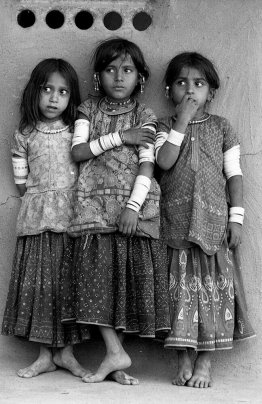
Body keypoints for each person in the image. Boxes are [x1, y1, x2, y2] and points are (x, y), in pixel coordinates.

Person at [61, 37, 170, 385]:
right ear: (98, 77)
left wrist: (133, 208)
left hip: (131, 213)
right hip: (93, 210)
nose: (118, 77)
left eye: (127, 70)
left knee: (127, 287)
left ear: (140, 77)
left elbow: (148, 167)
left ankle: (115, 359)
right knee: (96, 283)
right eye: (110, 70)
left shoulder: (146, 116)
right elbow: (79, 152)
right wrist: (123, 136)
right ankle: (113, 350)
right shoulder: (87, 110)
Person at [155, 52, 255, 388]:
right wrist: (181, 121)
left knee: (215, 292)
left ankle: (205, 361)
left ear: (211, 92)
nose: (190, 90)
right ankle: (182, 356)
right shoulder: (162, 126)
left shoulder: (222, 126)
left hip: (214, 225)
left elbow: (234, 175)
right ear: (169, 89)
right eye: (182, 83)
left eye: (199, 83)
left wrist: (237, 219)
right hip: (176, 223)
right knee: (178, 291)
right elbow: (165, 163)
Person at [1, 58, 90, 378]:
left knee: (67, 286)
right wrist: (40, 200)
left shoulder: (75, 132)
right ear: (34, 92)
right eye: (47, 89)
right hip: (37, 220)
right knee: (41, 287)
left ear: (71, 97)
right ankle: (44, 355)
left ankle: (66, 354)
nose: (54, 98)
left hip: (70, 220)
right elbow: (21, 181)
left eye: (63, 91)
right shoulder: (24, 133)